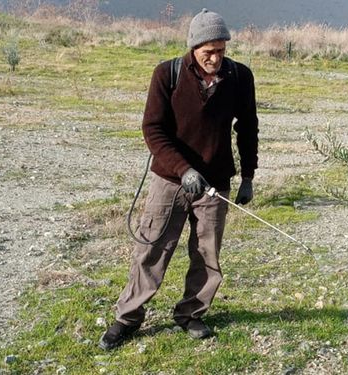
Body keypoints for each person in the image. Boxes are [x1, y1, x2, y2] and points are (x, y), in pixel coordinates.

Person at [99, 8, 258, 350]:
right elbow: (153, 130)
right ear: (193, 47)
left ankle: (191, 314)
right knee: (151, 249)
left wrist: (247, 176)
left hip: (215, 184)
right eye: (208, 51)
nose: (215, 57)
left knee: (207, 253)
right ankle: (127, 318)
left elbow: (248, 129)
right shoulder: (167, 74)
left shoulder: (241, 77)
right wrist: (184, 170)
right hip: (169, 181)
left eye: (221, 49)